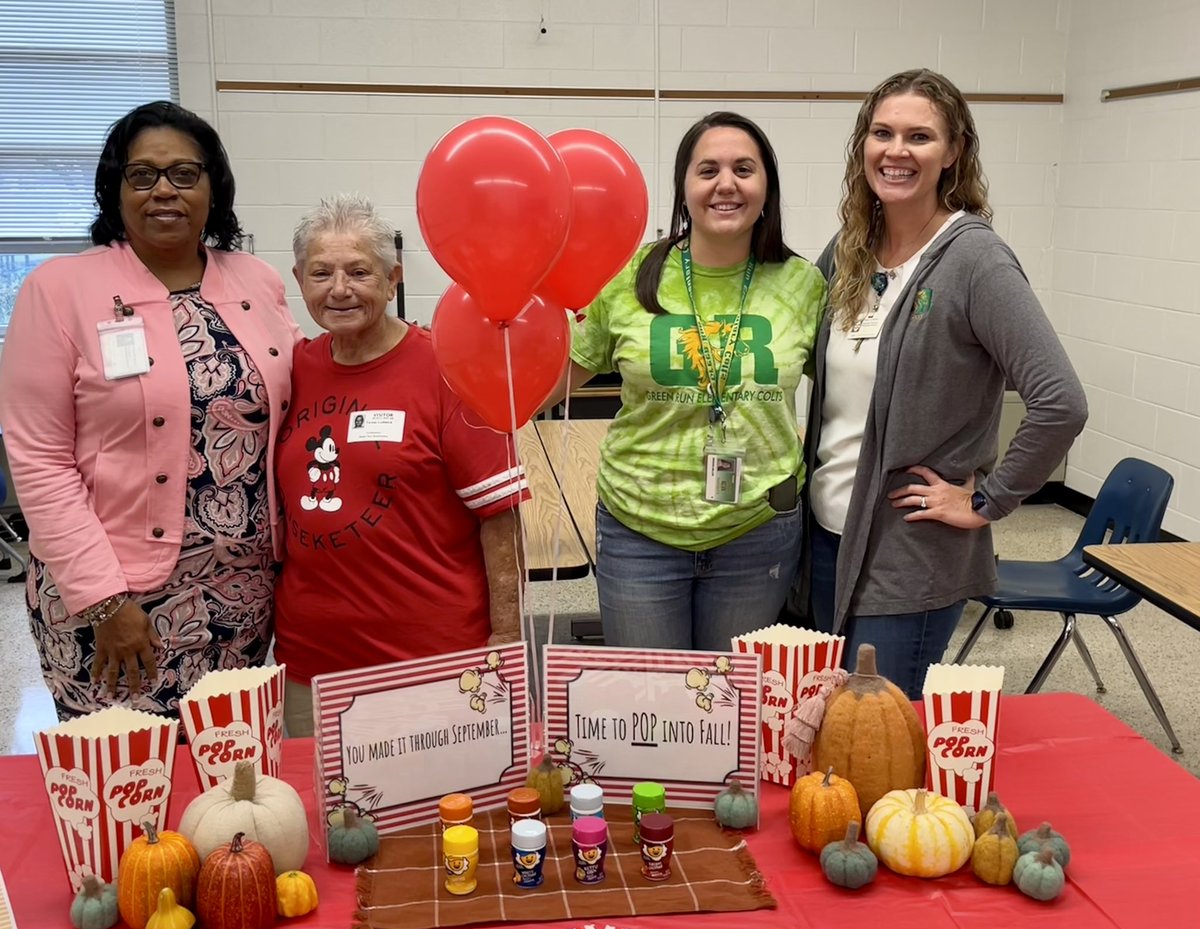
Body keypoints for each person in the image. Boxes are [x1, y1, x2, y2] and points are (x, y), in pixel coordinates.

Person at [0, 101, 301, 720]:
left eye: (184, 174)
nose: (164, 190)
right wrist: (104, 602)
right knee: (126, 785)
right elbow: (39, 459)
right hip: (112, 604)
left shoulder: (256, 280)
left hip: (243, 599)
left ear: (214, 187)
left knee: (227, 781)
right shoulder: (58, 291)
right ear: (116, 189)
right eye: (142, 175)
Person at [798, 69, 1088, 698]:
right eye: (882, 133)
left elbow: (1060, 401)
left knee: (882, 743)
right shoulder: (849, 248)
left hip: (910, 551)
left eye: (919, 136)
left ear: (953, 151)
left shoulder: (975, 260)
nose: (896, 151)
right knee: (831, 736)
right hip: (826, 537)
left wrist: (987, 501)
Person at [565, 112, 826, 651]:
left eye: (744, 169)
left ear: (767, 187)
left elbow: (856, 391)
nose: (725, 184)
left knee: (730, 710)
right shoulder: (629, 277)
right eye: (707, 170)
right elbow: (548, 381)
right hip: (639, 527)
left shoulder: (804, 285)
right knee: (650, 710)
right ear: (683, 189)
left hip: (756, 529)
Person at [274, 194, 528, 736]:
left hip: (432, 659)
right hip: (312, 662)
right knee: (328, 813)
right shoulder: (294, 369)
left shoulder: (447, 368)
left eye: (358, 271)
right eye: (321, 273)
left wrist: (506, 638)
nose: (339, 289)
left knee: (440, 815)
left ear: (393, 278)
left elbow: (500, 516)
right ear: (299, 279)